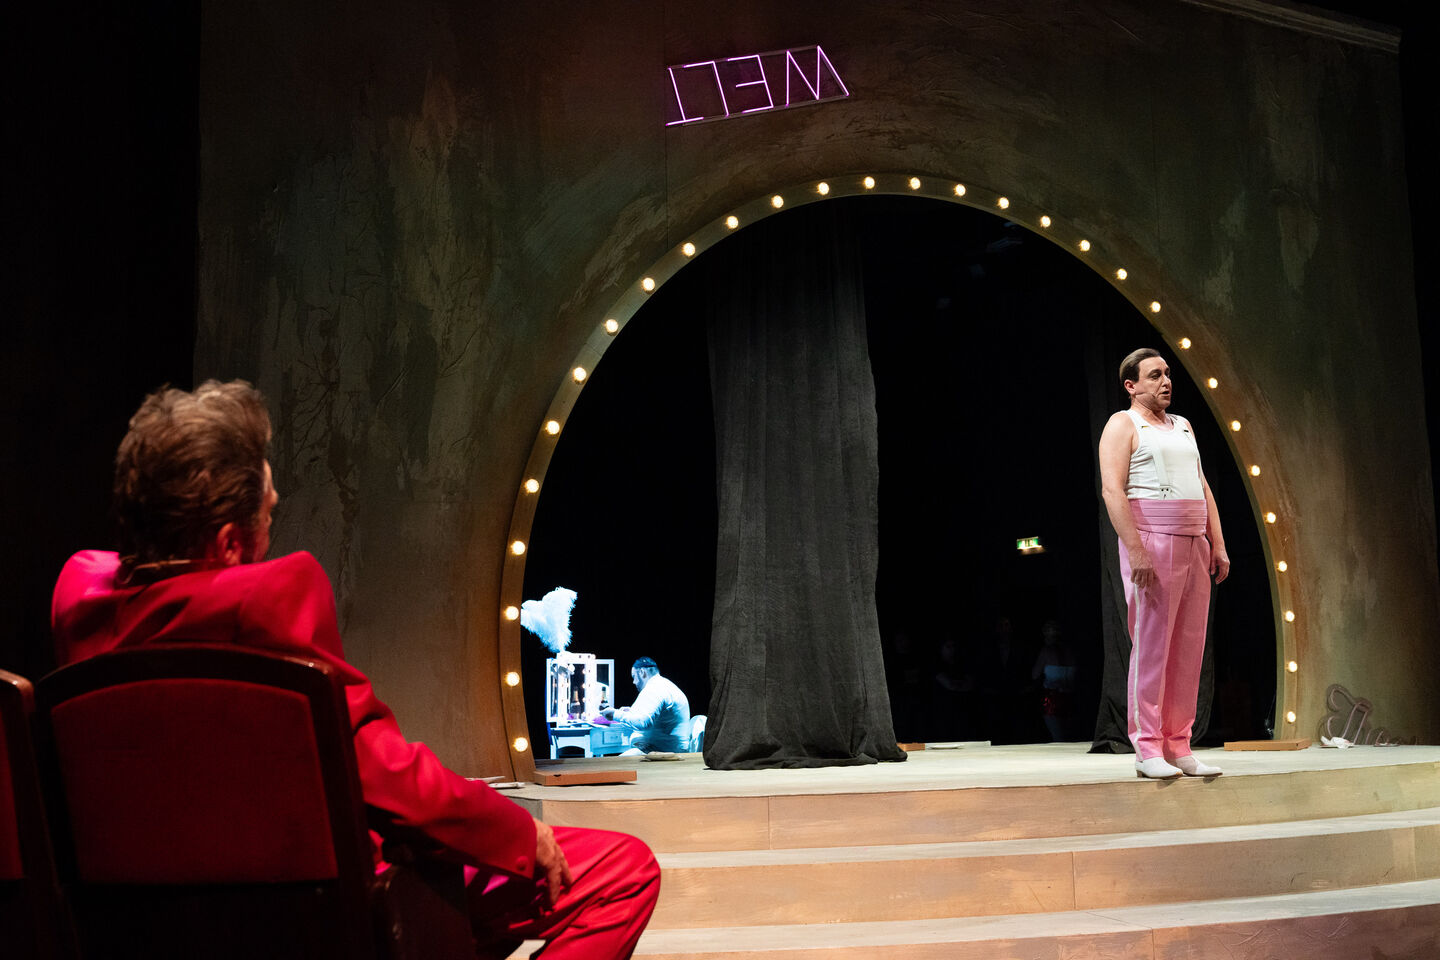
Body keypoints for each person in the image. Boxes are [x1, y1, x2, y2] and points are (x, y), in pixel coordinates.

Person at [49, 380, 659, 959]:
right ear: (231, 543)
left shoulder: (80, 607)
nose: (271, 530)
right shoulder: (266, 601)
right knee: (622, 871)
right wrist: (520, 832)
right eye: (268, 516)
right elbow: (382, 774)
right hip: (328, 908)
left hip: (142, 919)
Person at [1098, 349, 1230, 779]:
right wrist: (1136, 550)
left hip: (1194, 541)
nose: (1166, 381)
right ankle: (1148, 746)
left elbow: (1202, 486)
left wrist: (1217, 542)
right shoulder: (1123, 424)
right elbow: (1113, 491)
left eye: (1168, 373)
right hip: (1153, 540)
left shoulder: (1184, 425)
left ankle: (1179, 744)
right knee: (1153, 646)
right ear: (1131, 385)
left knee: (1188, 648)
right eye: (1154, 375)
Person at [601, 657, 690, 753]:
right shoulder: (664, 684)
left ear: (642, 672)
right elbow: (660, 714)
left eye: (634, 676)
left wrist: (614, 714)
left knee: (612, 762)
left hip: (662, 752)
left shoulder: (654, 688)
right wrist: (632, 712)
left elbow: (642, 722)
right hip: (671, 748)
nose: (634, 682)